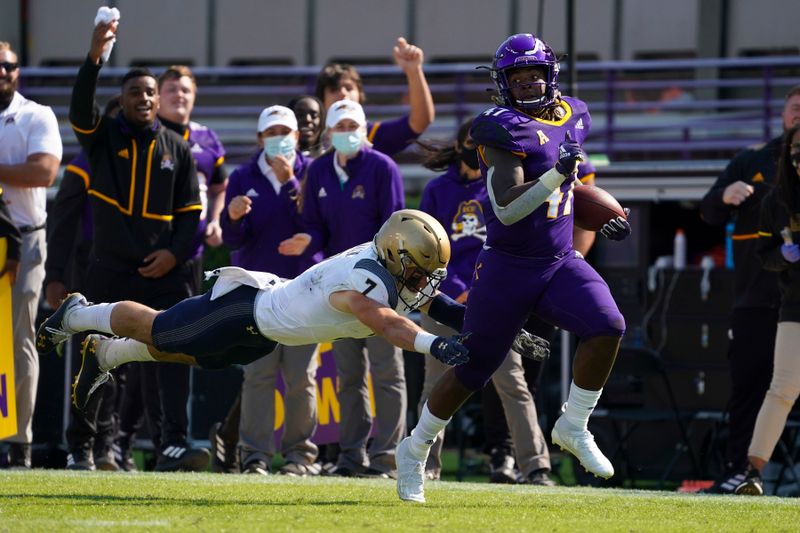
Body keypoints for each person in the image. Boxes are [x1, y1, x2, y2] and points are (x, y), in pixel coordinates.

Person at [396, 33, 631, 503]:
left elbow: (571, 194)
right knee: (476, 365)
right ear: (503, 84)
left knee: (608, 325)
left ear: (551, 76)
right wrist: (556, 176)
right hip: (507, 266)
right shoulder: (499, 128)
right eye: (517, 78)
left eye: (534, 75)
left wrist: (604, 213)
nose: (526, 84)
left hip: (560, 259)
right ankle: (414, 448)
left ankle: (573, 423)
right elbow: (505, 208)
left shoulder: (576, 114)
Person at [36, 209, 507, 414]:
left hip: (269, 330)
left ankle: (109, 355)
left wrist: (492, 330)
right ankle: (78, 315)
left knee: (204, 359)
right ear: (396, 255)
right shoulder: (362, 282)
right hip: (243, 309)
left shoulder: (390, 263)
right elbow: (386, 322)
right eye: (420, 269)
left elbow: (435, 302)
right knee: (161, 330)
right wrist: (433, 344)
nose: (426, 279)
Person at [52, 20, 207, 472]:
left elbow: (191, 215)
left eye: (149, 93)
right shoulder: (102, 141)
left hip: (163, 275)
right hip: (108, 270)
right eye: (134, 92)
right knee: (93, 355)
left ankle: (173, 444)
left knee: (176, 350)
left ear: (158, 100)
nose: (143, 99)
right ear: (122, 100)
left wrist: (174, 255)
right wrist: (94, 58)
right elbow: (81, 109)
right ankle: (83, 446)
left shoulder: (177, 149)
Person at [415, 120, 555, 485]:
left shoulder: (503, 188)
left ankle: (535, 466)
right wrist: (456, 287)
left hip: (492, 301)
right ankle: (424, 464)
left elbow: (507, 247)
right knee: (434, 383)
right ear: (460, 145)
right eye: (468, 141)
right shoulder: (436, 190)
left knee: (513, 383)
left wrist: (476, 288)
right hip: (443, 298)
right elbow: (428, 247)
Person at [286, 99, 406, 478]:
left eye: (353, 124)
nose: (347, 131)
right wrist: (309, 243)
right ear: (329, 132)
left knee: (387, 373)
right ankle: (352, 457)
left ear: (364, 127)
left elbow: (396, 230)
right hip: (340, 290)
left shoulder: (382, 167)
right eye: (340, 126)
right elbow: (316, 225)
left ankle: (387, 458)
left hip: (381, 286)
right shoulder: (319, 170)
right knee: (349, 375)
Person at [698, 85, 800, 493]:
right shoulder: (752, 161)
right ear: (783, 114)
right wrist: (725, 194)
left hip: (793, 297)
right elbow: (708, 209)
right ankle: (740, 472)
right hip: (758, 298)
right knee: (751, 388)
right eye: (795, 108)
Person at [219, 105, 319, 476]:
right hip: (256, 294)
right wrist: (231, 216)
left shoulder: (312, 172)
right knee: (258, 376)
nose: (280, 138)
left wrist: (292, 182)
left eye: (286, 131)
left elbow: (316, 225)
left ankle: (299, 457)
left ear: (297, 136)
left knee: (301, 377)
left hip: (303, 291)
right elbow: (232, 240)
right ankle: (254, 456)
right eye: (271, 132)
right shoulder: (243, 175)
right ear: (260, 139)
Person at [44, 97, 125, 471]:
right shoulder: (85, 164)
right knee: (88, 362)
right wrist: (55, 275)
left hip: (133, 272)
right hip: (90, 273)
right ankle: (81, 446)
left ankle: (108, 445)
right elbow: (62, 220)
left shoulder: (147, 162)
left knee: (122, 361)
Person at [0, 41, 62, 469]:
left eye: (9, 65)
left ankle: (19, 441)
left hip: (23, 240)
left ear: (19, 70)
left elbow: (44, 171)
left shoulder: (35, 114)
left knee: (20, 337)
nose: (2, 71)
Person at [735, 125, 800, 496]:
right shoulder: (777, 201)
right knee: (783, 388)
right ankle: (753, 471)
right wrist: (783, 255)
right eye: (796, 153)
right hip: (795, 302)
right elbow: (766, 255)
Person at [315, 37, 434, 157]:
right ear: (322, 100)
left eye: (349, 88)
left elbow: (420, 122)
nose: (343, 93)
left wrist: (414, 71)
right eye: (334, 89)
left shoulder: (373, 135)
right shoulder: (311, 138)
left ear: (360, 95)